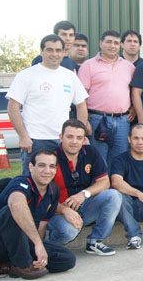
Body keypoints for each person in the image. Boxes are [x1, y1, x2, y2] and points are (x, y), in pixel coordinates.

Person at [0, 150, 76, 280]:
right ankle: (23, 265)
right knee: (13, 210)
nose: (47, 170)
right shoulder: (21, 182)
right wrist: (37, 244)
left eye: (52, 166)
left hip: (21, 242)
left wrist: (40, 248)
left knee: (66, 259)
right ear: (31, 167)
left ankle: (3, 266)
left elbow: (42, 227)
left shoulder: (53, 191)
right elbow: (16, 204)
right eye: (42, 165)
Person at [7, 34, 89, 175]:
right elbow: (13, 107)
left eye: (58, 50)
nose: (54, 54)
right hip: (36, 140)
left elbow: (81, 105)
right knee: (34, 183)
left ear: (64, 52)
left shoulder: (69, 76)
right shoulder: (26, 75)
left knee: (64, 181)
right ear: (41, 51)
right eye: (50, 50)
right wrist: (23, 136)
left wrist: (79, 135)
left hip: (64, 140)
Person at [46, 119, 122, 255]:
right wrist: (64, 210)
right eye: (69, 137)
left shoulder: (90, 152)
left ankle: (95, 241)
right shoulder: (50, 160)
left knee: (113, 195)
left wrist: (84, 194)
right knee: (69, 231)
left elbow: (104, 182)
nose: (74, 141)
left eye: (79, 138)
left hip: (84, 206)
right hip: (57, 211)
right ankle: (50, 247)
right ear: (60, 137)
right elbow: (42, 199)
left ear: (84, 140)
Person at [78, 30, 136, 169]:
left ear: (120, 45)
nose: (112, 46)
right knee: (98, 160)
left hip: (122, 121)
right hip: (98, 120)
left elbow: (135, 91)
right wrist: (84, 121)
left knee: (119, 160)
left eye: (116, 43)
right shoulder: (88, 65)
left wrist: (133, 107)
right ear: (100, 43)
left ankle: (115, 190)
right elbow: (80, 97)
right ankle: (101, 190)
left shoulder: (128, 66)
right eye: (109, 42)